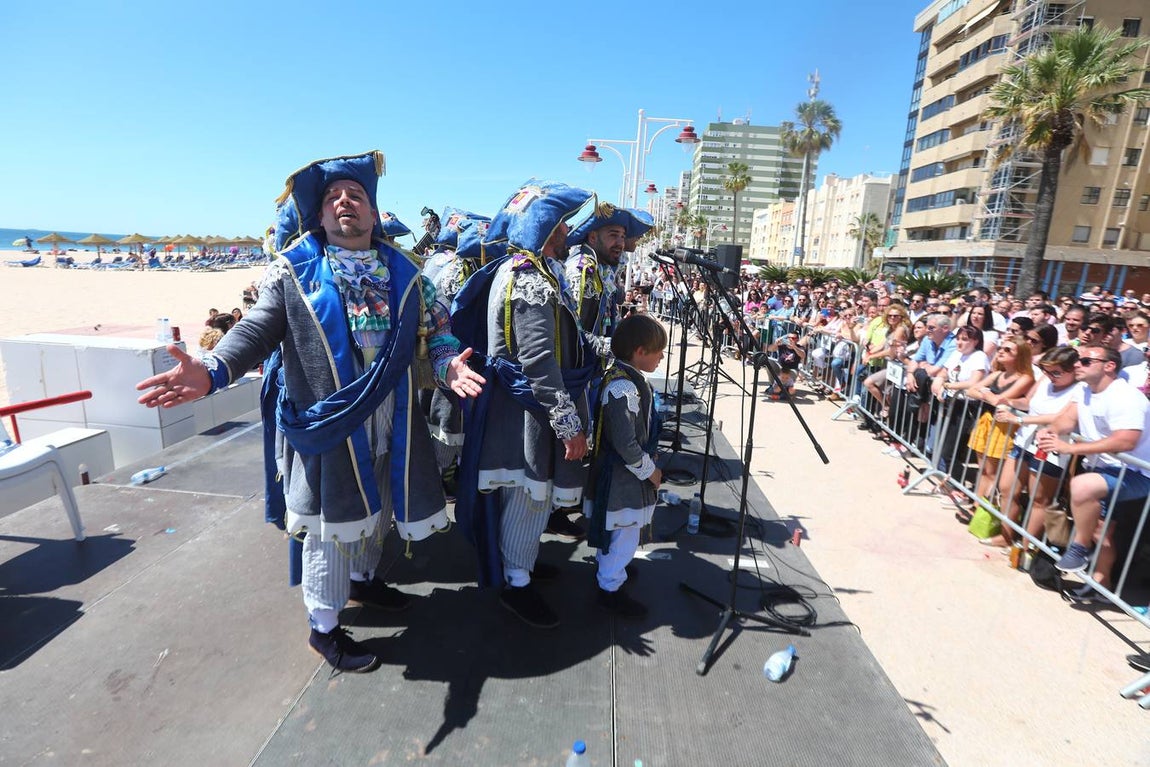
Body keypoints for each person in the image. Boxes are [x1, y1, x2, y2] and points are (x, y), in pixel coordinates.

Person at [135, 152, 485, 674]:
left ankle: (364, 582)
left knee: (380, 509)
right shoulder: (294, 271)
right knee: (329, 529)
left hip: (394, 420)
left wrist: (447, 364)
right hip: (330, 424)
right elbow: (254, 331)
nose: (345, 202)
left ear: (373, 212)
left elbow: (437, 331)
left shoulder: (408, 272)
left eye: (356, 195)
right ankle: (323, 629)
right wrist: (211, 371)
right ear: (320, 215)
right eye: (332, 197)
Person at [453, 180, 598, 630]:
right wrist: (568, 424)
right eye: (561, 225)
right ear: (546, 229)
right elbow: (537, 361)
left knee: (529, 495)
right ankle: (516, 583)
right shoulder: (528, 277)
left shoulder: (533, 270)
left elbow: (567, 340)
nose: (567, 232)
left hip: (525, 406)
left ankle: (521, 565)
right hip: (525, 412)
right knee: (529, 495)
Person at [1044, 345, 1150, 598]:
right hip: (1105, 469)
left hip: (1137, 473)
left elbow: (1126, 441)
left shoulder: (1126, 397)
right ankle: (1101, 585)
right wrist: (1051, 431)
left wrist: (1071, 448)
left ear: (1109, 366)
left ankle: (1078, 549)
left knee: (1082, 486)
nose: (1076, 364)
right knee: (1101, 532)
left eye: (1085, 361)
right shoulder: (1084, 390)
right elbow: (1067, 419)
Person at [583, 314, 666, 618]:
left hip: (624, 473)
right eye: (658, 352)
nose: (661, 358)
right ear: (640, 351)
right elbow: (625, 444)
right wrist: (651, 472)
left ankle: (611, 569)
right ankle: (610, 587)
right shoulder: (622, 387)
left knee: (620, 531)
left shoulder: (627, 378)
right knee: (623, 531)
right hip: (621, 477)